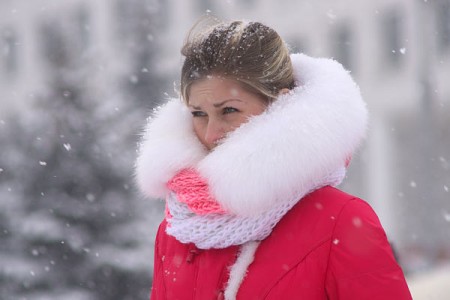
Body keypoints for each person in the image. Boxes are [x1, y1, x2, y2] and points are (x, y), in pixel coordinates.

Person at [135, 18, 412, 300]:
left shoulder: (340, 220)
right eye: (198, 114)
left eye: (229, 110)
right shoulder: (178, 230)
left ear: (279, 105)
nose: (211, 132)